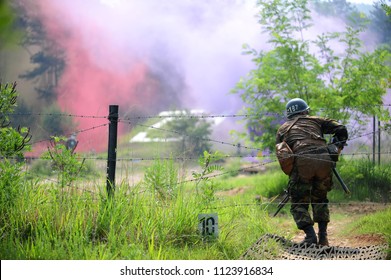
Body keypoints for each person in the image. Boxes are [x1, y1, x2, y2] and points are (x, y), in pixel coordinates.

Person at [276, 98, 348, 246]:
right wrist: (335, 148)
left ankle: (310, 237)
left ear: (289, 114)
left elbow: (281, 152)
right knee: (320, 199)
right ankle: (323, 237)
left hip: (302, 163)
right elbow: (341, 129)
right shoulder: (317, 121)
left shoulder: (283, 129)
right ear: (305, 111)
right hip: (324, 161)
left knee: (298, 202)